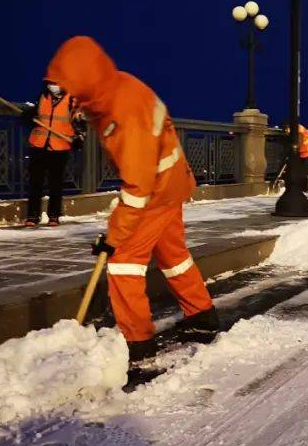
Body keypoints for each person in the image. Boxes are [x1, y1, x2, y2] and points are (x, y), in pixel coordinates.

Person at [46, 36, 217, 362]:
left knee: (124, 263)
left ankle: (138, 344)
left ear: (85, 79)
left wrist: (113, 237)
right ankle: (202, 317)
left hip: (155, 188)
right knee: (173, 256)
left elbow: (138, 187)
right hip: (171, 182)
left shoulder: (124, 113)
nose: (66, 94)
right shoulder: (114, 88)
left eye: (69, 87)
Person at [21, 77, 83, 227]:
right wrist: (28, 117)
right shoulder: (43, 97)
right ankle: (32, 216)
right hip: (39, 145)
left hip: (60, 147)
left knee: (56, 184)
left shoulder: (72, 101)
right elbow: (33, 116)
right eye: (50, 83)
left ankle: (54, 216)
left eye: (56, 83)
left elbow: (79, 123)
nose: (53, 86)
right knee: (35, 182)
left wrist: (78, 138)